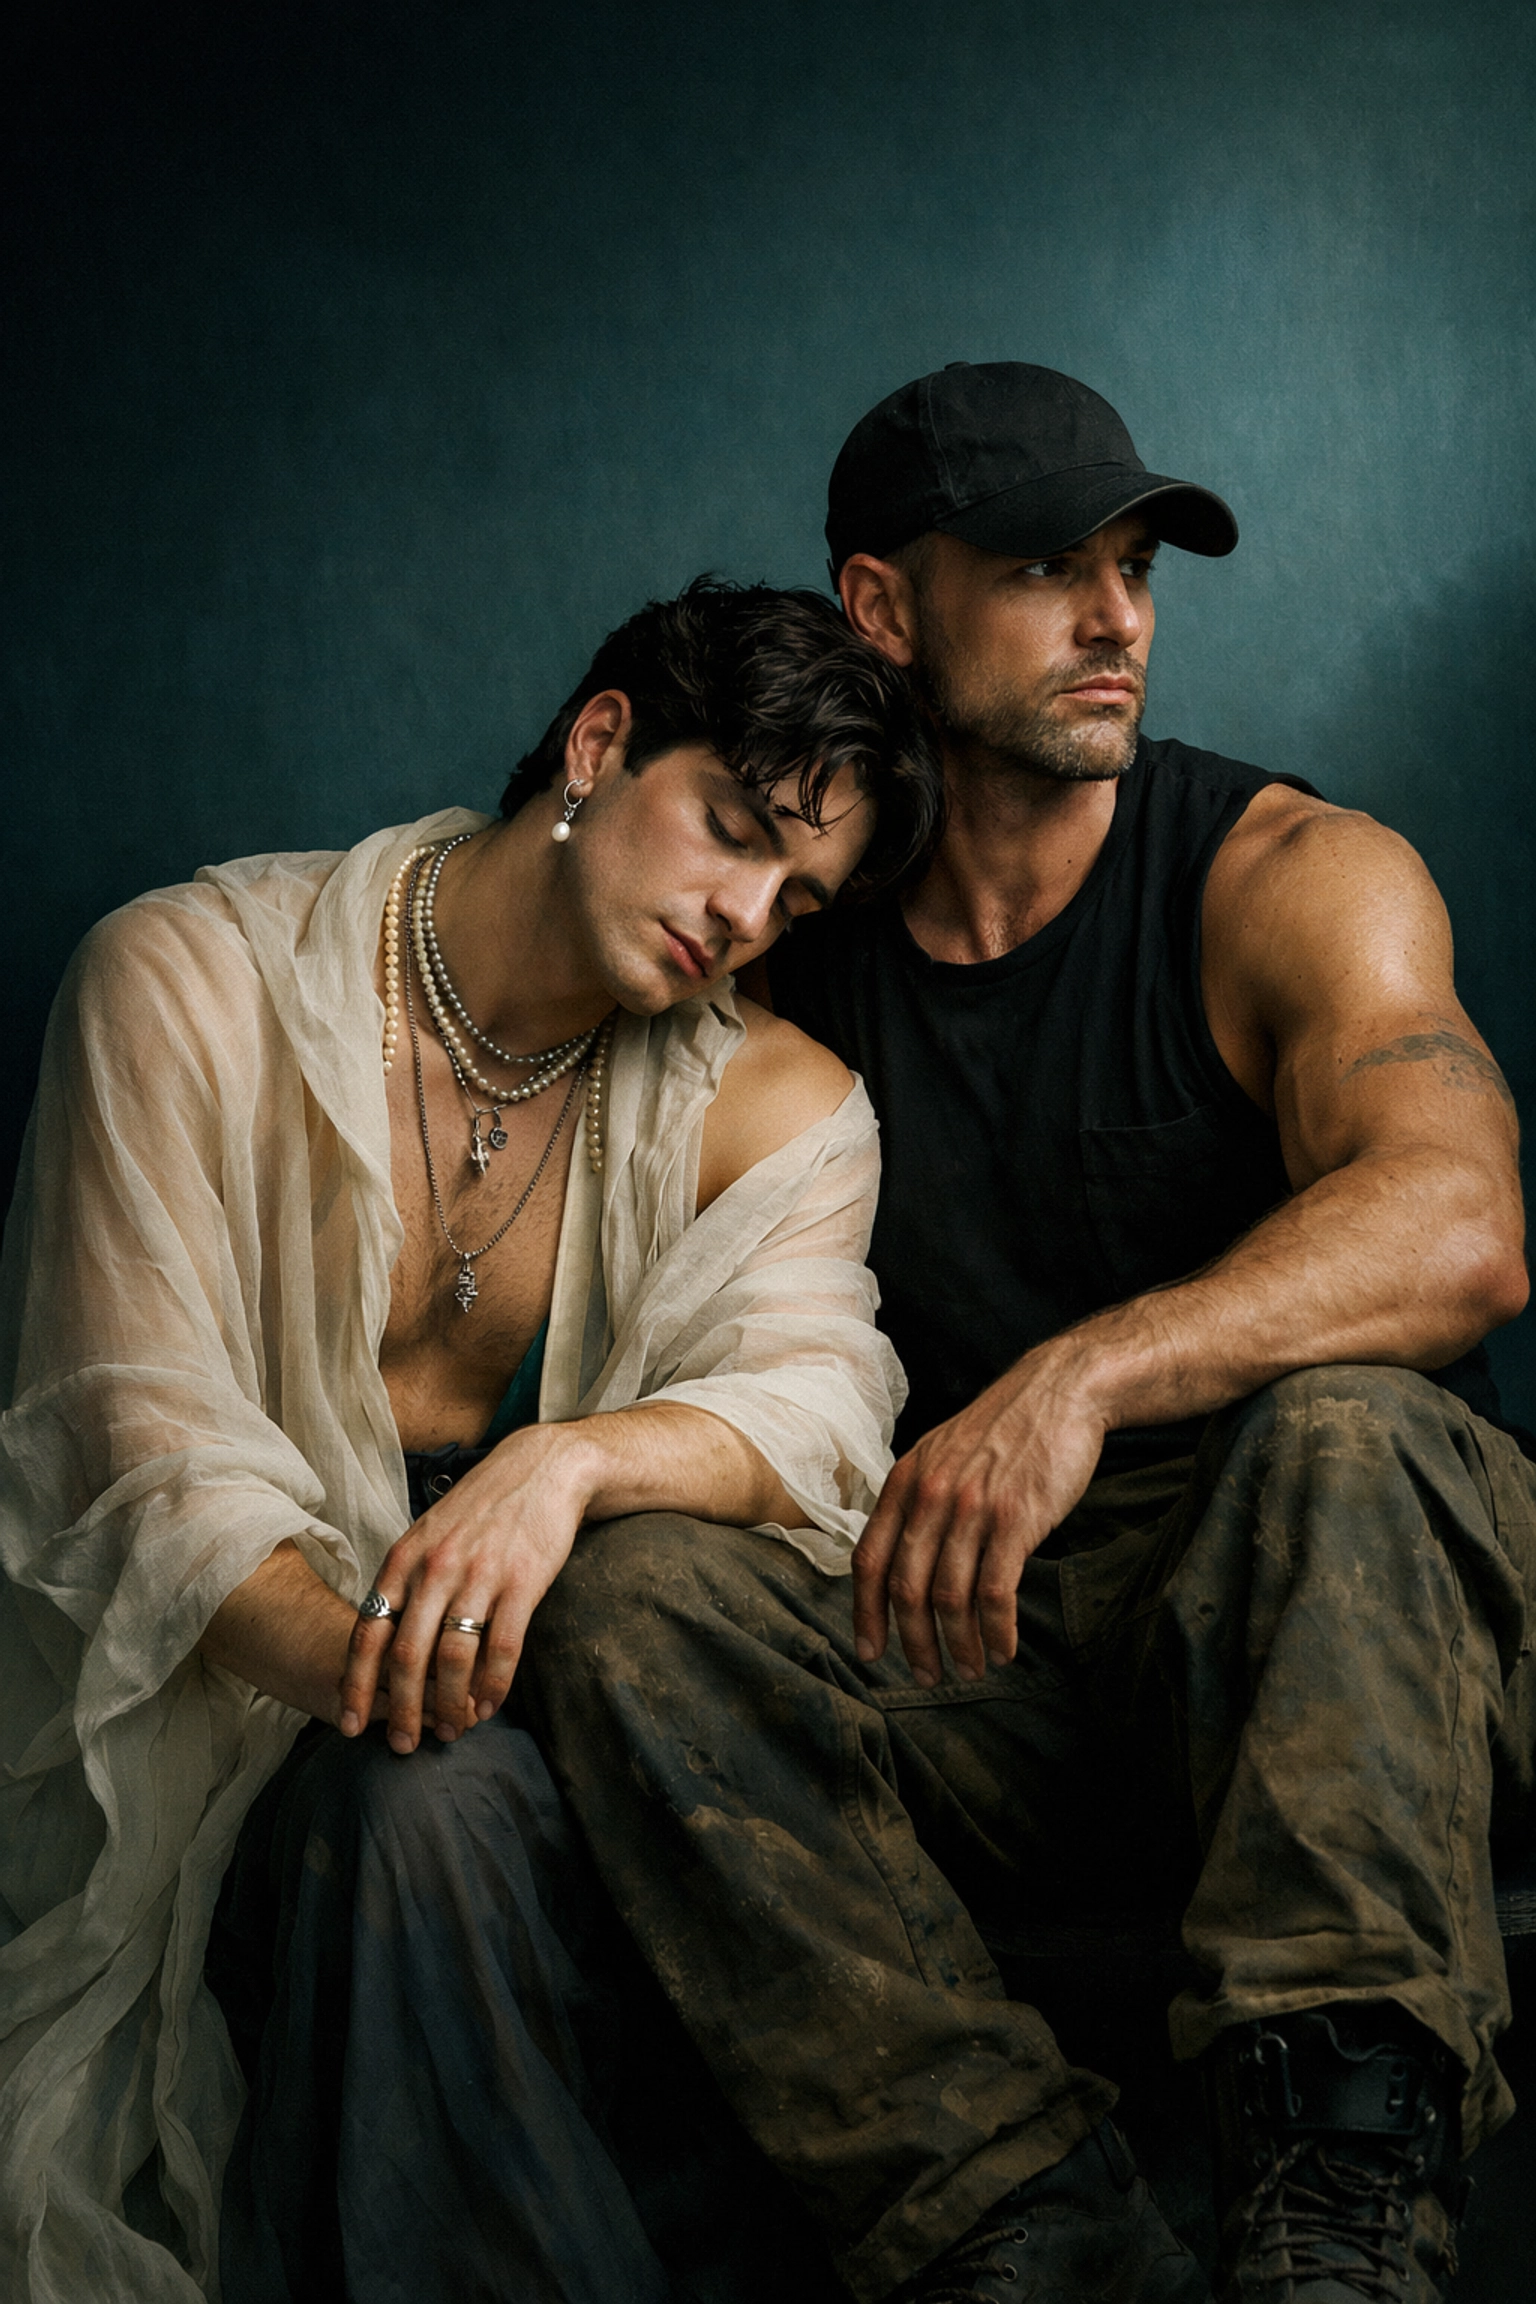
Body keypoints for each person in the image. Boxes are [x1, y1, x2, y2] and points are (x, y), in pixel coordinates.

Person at [514, 367, 1536, 2304]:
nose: (1119, 618)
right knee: (625, 1603)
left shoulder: (1283, 879)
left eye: (1135, 567)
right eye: (1053, 568)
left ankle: (1338, 2236)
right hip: (992, 1653)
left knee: (1345, 1427)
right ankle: (1031, 2232)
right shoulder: (783, 942)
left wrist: (1085, 1375)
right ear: (884, 609)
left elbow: (1468, 1223)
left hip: (1351, 1632)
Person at [0, 577, 939, 2303]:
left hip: (579, 1770)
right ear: (598, 744)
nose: (742, 914)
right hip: (236, 1743)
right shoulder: (186, 986)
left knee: (452, 1803)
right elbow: (128, 1456)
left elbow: (822, 1408)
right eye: (730, 828)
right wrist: (394, 1675)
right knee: (417, 1807)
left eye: (794, 896)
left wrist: (564, 1463)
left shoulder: (775, 1107)